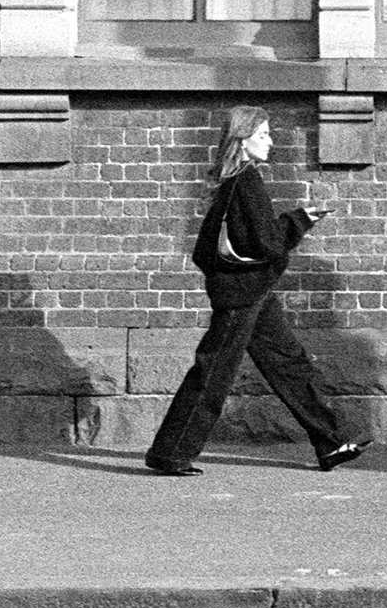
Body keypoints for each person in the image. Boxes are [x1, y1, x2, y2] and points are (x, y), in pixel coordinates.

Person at [144, 106, 370, 477]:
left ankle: (331, 442)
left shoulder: (231, 183)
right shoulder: (245, 182)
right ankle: (170, 453)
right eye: (263, 134)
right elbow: (269, 244)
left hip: (251, 293)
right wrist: (299, 220)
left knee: (288, 363)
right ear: (242, 139)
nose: (270, 141)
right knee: (213, 373)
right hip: (243, 296)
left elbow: (208, 249)